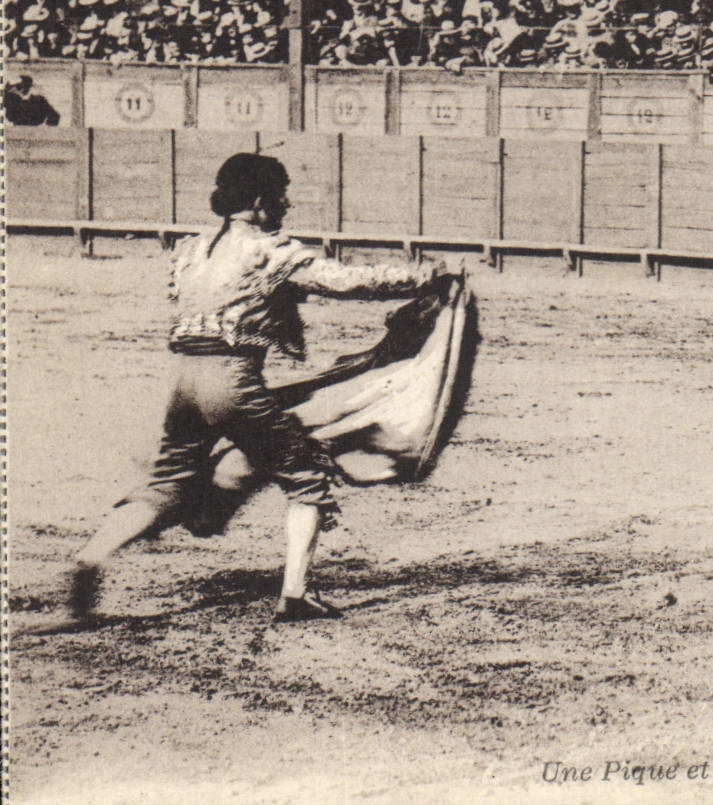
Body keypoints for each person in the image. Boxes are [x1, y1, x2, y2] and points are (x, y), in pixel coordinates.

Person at [66, 153, 449, 624]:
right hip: (236, 382)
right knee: (305, 477)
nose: (288, 204)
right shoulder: (273, 251)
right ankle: (295, 595)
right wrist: (425, 276)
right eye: (282, 194)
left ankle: (89, 562)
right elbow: (348, 283)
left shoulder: (190, 249)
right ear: (263, 201)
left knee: (167, 482)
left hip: (185, 382)